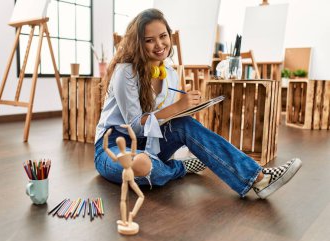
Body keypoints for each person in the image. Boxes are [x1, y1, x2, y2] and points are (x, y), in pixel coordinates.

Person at [94, 8, 302, 199]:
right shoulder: (125, 73)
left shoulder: (170, 75)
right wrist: (176, 107)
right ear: (138, 43)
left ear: (170, 36)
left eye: (163, 36)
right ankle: (180, 168)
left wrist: (183, 111)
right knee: (142, 166)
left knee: (185, 124)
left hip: (150, 143)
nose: (159, 45)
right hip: (112, 147)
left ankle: (258, 178)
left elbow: (159, 124)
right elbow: (135, 126)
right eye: (149, 40)